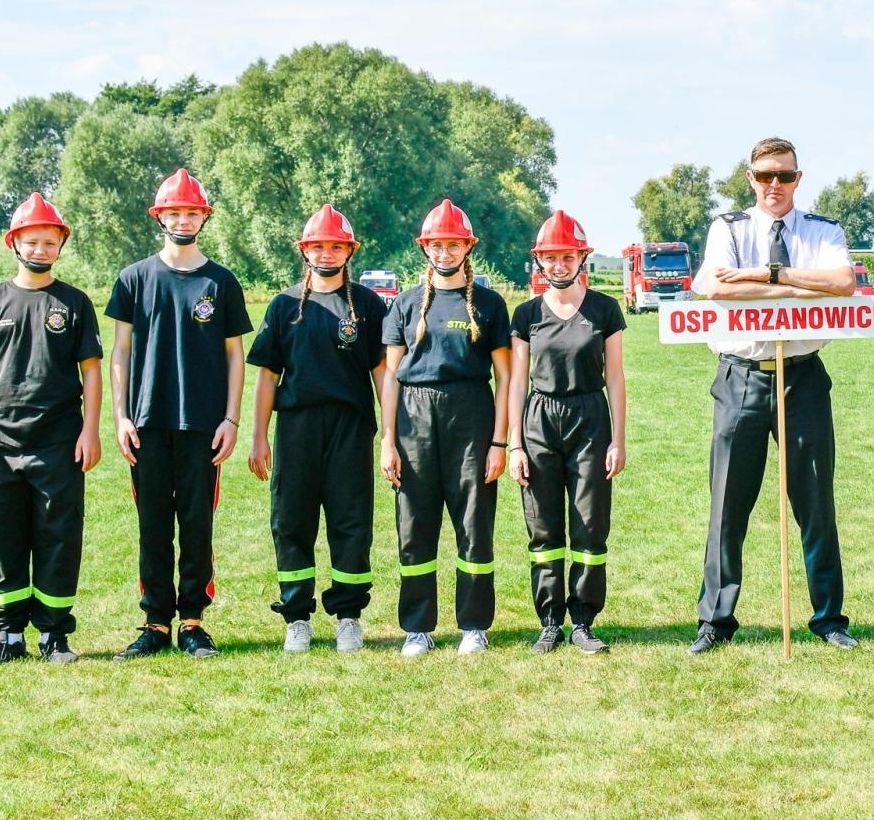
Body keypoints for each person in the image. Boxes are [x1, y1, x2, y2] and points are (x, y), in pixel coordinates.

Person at [688, 137, 857, 653]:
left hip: (803, 377)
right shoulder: (729, 228)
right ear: (750, 178)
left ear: (798, 178)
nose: (774, 186)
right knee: (728, 505)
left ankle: (829, 619)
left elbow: (845, 282)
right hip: (741, 375)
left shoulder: (823, 230)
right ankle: (715, 621)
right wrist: (805, 289)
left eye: (784, 175)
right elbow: (716, 289)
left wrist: (769, 273)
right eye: (765, 176)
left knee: (815, 503)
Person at [108, 169, 252, 660]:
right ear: (160, 217)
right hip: (146, 423)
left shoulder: (222, 281)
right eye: (175, 212)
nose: (183, 219)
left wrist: (231, 419)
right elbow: (121, 352)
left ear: (204, 217)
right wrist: (121, 417)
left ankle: (192, 621)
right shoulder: (133, 277)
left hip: (203, 425)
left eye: (192, 212)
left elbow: (236, 354)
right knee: (152, 525)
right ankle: (155, 623)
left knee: (196, 524)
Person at [0, 194, 102, 667]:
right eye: (32, 241)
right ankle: (8, 636)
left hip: (59, 442)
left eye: (50, 241)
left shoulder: (74, 303)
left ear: (60, 245)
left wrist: (91, 431)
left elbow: (92, 372)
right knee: (4, 538)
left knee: (59, 537)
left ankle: (54, 637)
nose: (41, 249)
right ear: (14, 243)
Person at [247, 204, 388, 654]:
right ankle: (297, 618)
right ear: (304, 250)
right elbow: (267, 376)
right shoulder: (284, 304)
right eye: (318, 246)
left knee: (350, 520)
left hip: (350, 426)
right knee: (292, 520)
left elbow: (382, 372)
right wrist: (258, 436)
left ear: (349, 250)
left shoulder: (366, 303)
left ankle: (349, 616)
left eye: (335, 246)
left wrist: (391, 434)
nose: (327, 253)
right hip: (296, 426)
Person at [379, 199, 511, 656]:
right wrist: (388, 441)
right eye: (437, 244)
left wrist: (499, 441)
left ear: (467, 247)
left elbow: (507, 376)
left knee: (474, 520)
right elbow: (390, 378)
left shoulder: (489, 304)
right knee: (415, 522)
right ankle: (418, 627)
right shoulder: (404, 304)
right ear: (425, 248)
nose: (445, 252)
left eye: (453, 244)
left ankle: (474, 624)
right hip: (413, 417)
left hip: (471, 414)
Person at [507, 211, 626, 655]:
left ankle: (583, 620)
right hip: (539, 420)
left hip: (590, 418)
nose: (558, 265)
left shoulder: (604, 309)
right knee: (543, 528)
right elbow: (517, 382)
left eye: (566, 256)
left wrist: (619, 438)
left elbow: (614, 377)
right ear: (540, 262)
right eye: (550, 257)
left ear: (582, 258)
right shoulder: (526, 314)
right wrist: (515, 443)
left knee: (590, 526)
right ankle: (550, 620)